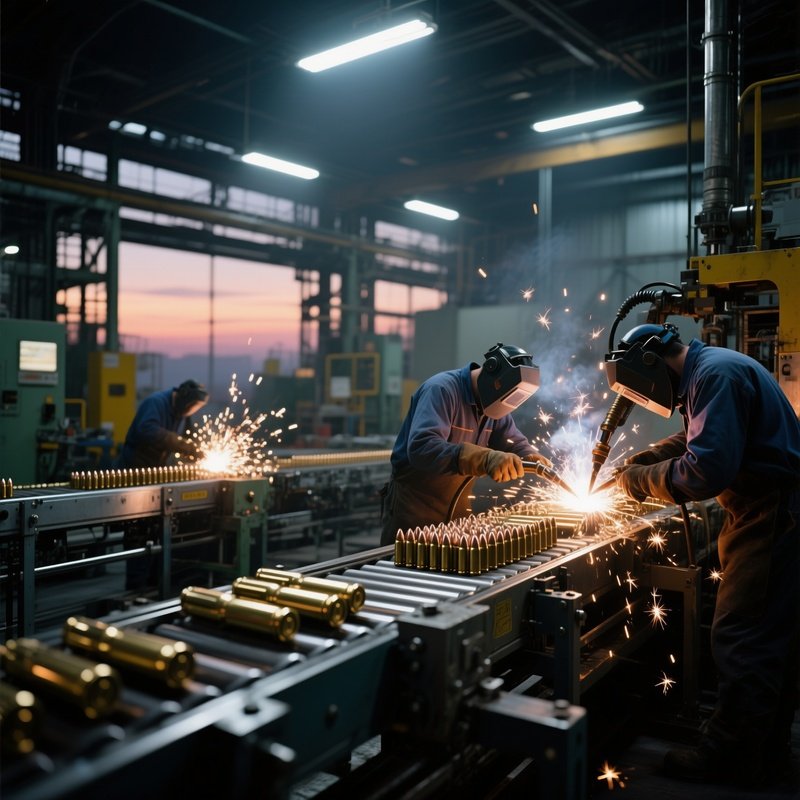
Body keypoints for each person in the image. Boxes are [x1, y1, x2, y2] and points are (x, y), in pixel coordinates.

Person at [606, 322, 800, 785]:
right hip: (769, 511)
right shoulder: (710, 371)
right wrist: (649, 457)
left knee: (742, 634)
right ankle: (765, 750)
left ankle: (729, 757)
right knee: (771, 640)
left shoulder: (714, 377)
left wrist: (639, 481)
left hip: (772, 515)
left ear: (649, 364)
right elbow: (701, 439)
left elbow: (706, 469)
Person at [380, 343, 550, 546]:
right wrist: (485, 458)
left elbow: (512, 440)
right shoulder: (441, 390)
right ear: (491, 371)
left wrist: (529, 455)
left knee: (453, 573)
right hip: (414, 511)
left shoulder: (494, 404)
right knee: (411, 571)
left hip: (457, 508)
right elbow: (422, 448)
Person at [116, 379, 209, 468]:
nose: (190, 411)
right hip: (134, 465)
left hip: (155, 465)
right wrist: (181, 444)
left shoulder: (179, 410)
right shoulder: (156, 402)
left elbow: (188, 436)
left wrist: (196, 449)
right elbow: (146, 429)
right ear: (183, 395)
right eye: (190, 406)